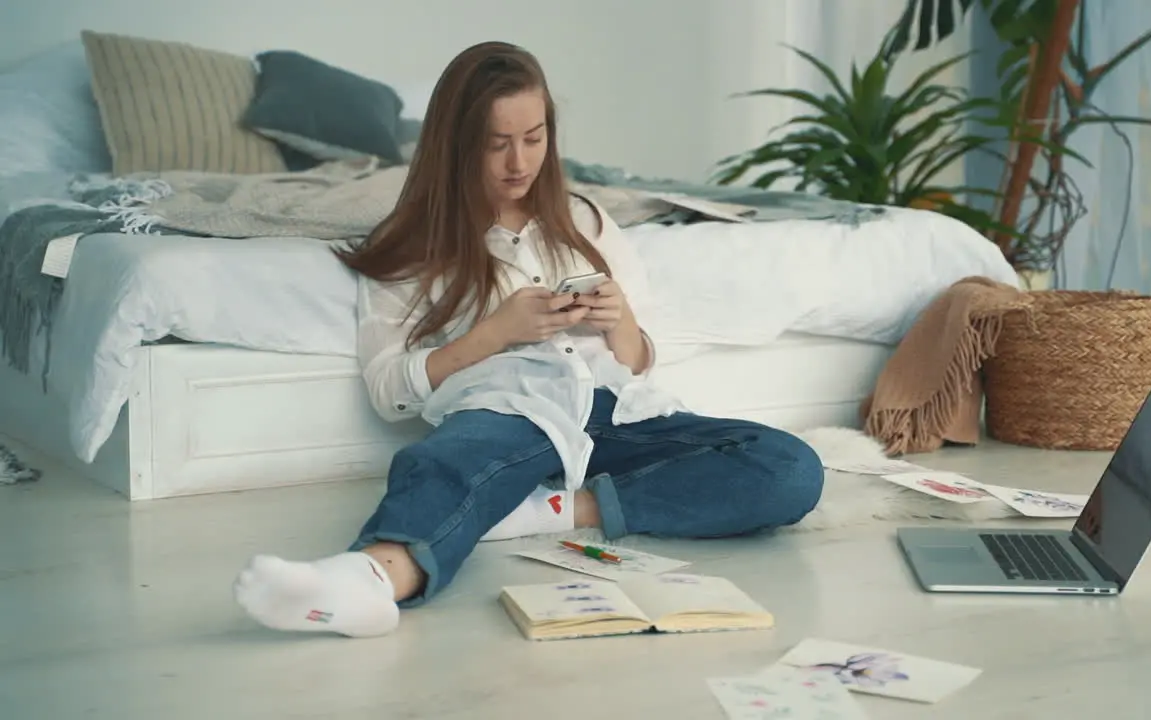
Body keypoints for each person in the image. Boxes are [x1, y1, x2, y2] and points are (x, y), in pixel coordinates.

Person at [232, 41, 825, 638]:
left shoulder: (585, 219)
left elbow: (640, 362)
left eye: (534, 138)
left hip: (617, 410)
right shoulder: (413, 243)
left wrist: (618, 321)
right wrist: (496, 333)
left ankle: (544, 512)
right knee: (446, 463)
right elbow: (391, 390)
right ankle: (369, 579)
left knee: (789, 468)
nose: (519, 162)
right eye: (497, 144)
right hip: (510, 408)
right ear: (456, 143)